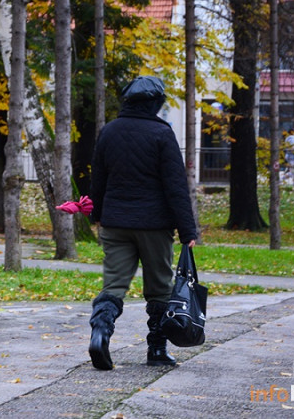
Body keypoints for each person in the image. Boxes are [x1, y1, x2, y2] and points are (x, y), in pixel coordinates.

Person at [87, 76, 198, 371]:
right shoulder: (161, 134)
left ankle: (100, 333)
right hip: (154, 225)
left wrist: (95, 213)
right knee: (160, 288)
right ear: (155, 103)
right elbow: (175, 186)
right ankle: (157, 350)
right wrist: (188, 230)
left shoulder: (109, 132)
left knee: (113, 285)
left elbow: (98, 178)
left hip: (115, 223)